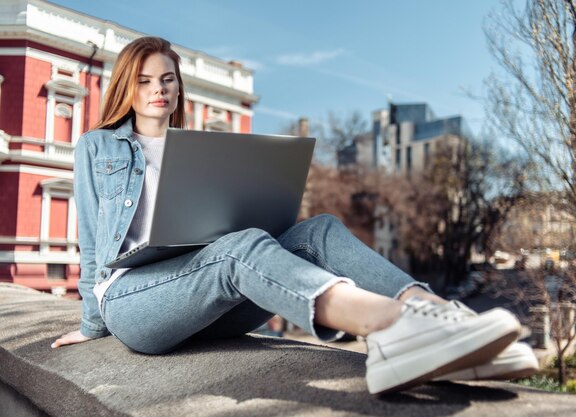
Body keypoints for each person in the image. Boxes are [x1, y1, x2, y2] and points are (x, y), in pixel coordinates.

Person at [51, 36, 537, 395]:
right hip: (135, 302)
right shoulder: (98, 147)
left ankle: (445, 320)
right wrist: (92, 326)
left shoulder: (201, 150)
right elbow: (93, 244)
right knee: (238, 249)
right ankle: (394, 326)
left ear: (179, 88)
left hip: (203, 293)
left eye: (167, 79)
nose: (158, 89)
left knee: (318, 230)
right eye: (144, 81)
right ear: (125, 87)